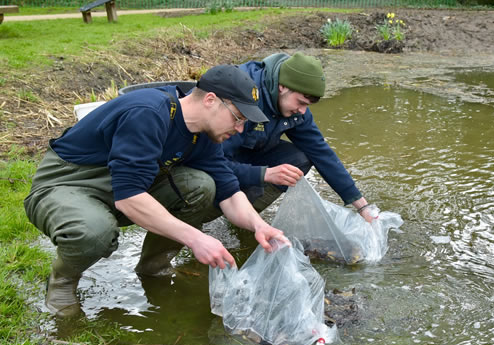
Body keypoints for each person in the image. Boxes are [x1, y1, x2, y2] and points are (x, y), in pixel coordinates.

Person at [24, 65, 289, 317]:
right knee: (95, 232)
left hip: (121, 185)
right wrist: (196, 239)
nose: (240, 129)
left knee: (201, 186)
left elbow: (229, 192)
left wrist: (259, 226)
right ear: (210, 100)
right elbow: (129, 198)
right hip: (66, 183)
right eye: (238, 118)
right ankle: (62, 282)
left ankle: (154, 266)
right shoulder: (149, 111)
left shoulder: (204, 136)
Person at [220, 52, 375, 222]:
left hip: (246, 153)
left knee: (299, 159)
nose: (302, 110)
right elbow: (215, 161)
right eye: (300, 102)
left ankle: (246, 215)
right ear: (282, 86)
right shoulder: (245, 95)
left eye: (307, 106)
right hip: (210, 157)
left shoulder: (293, 109)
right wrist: (264, 174)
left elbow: (320, 151)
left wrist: (362, 206)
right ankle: (220, 213)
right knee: (203, 185)